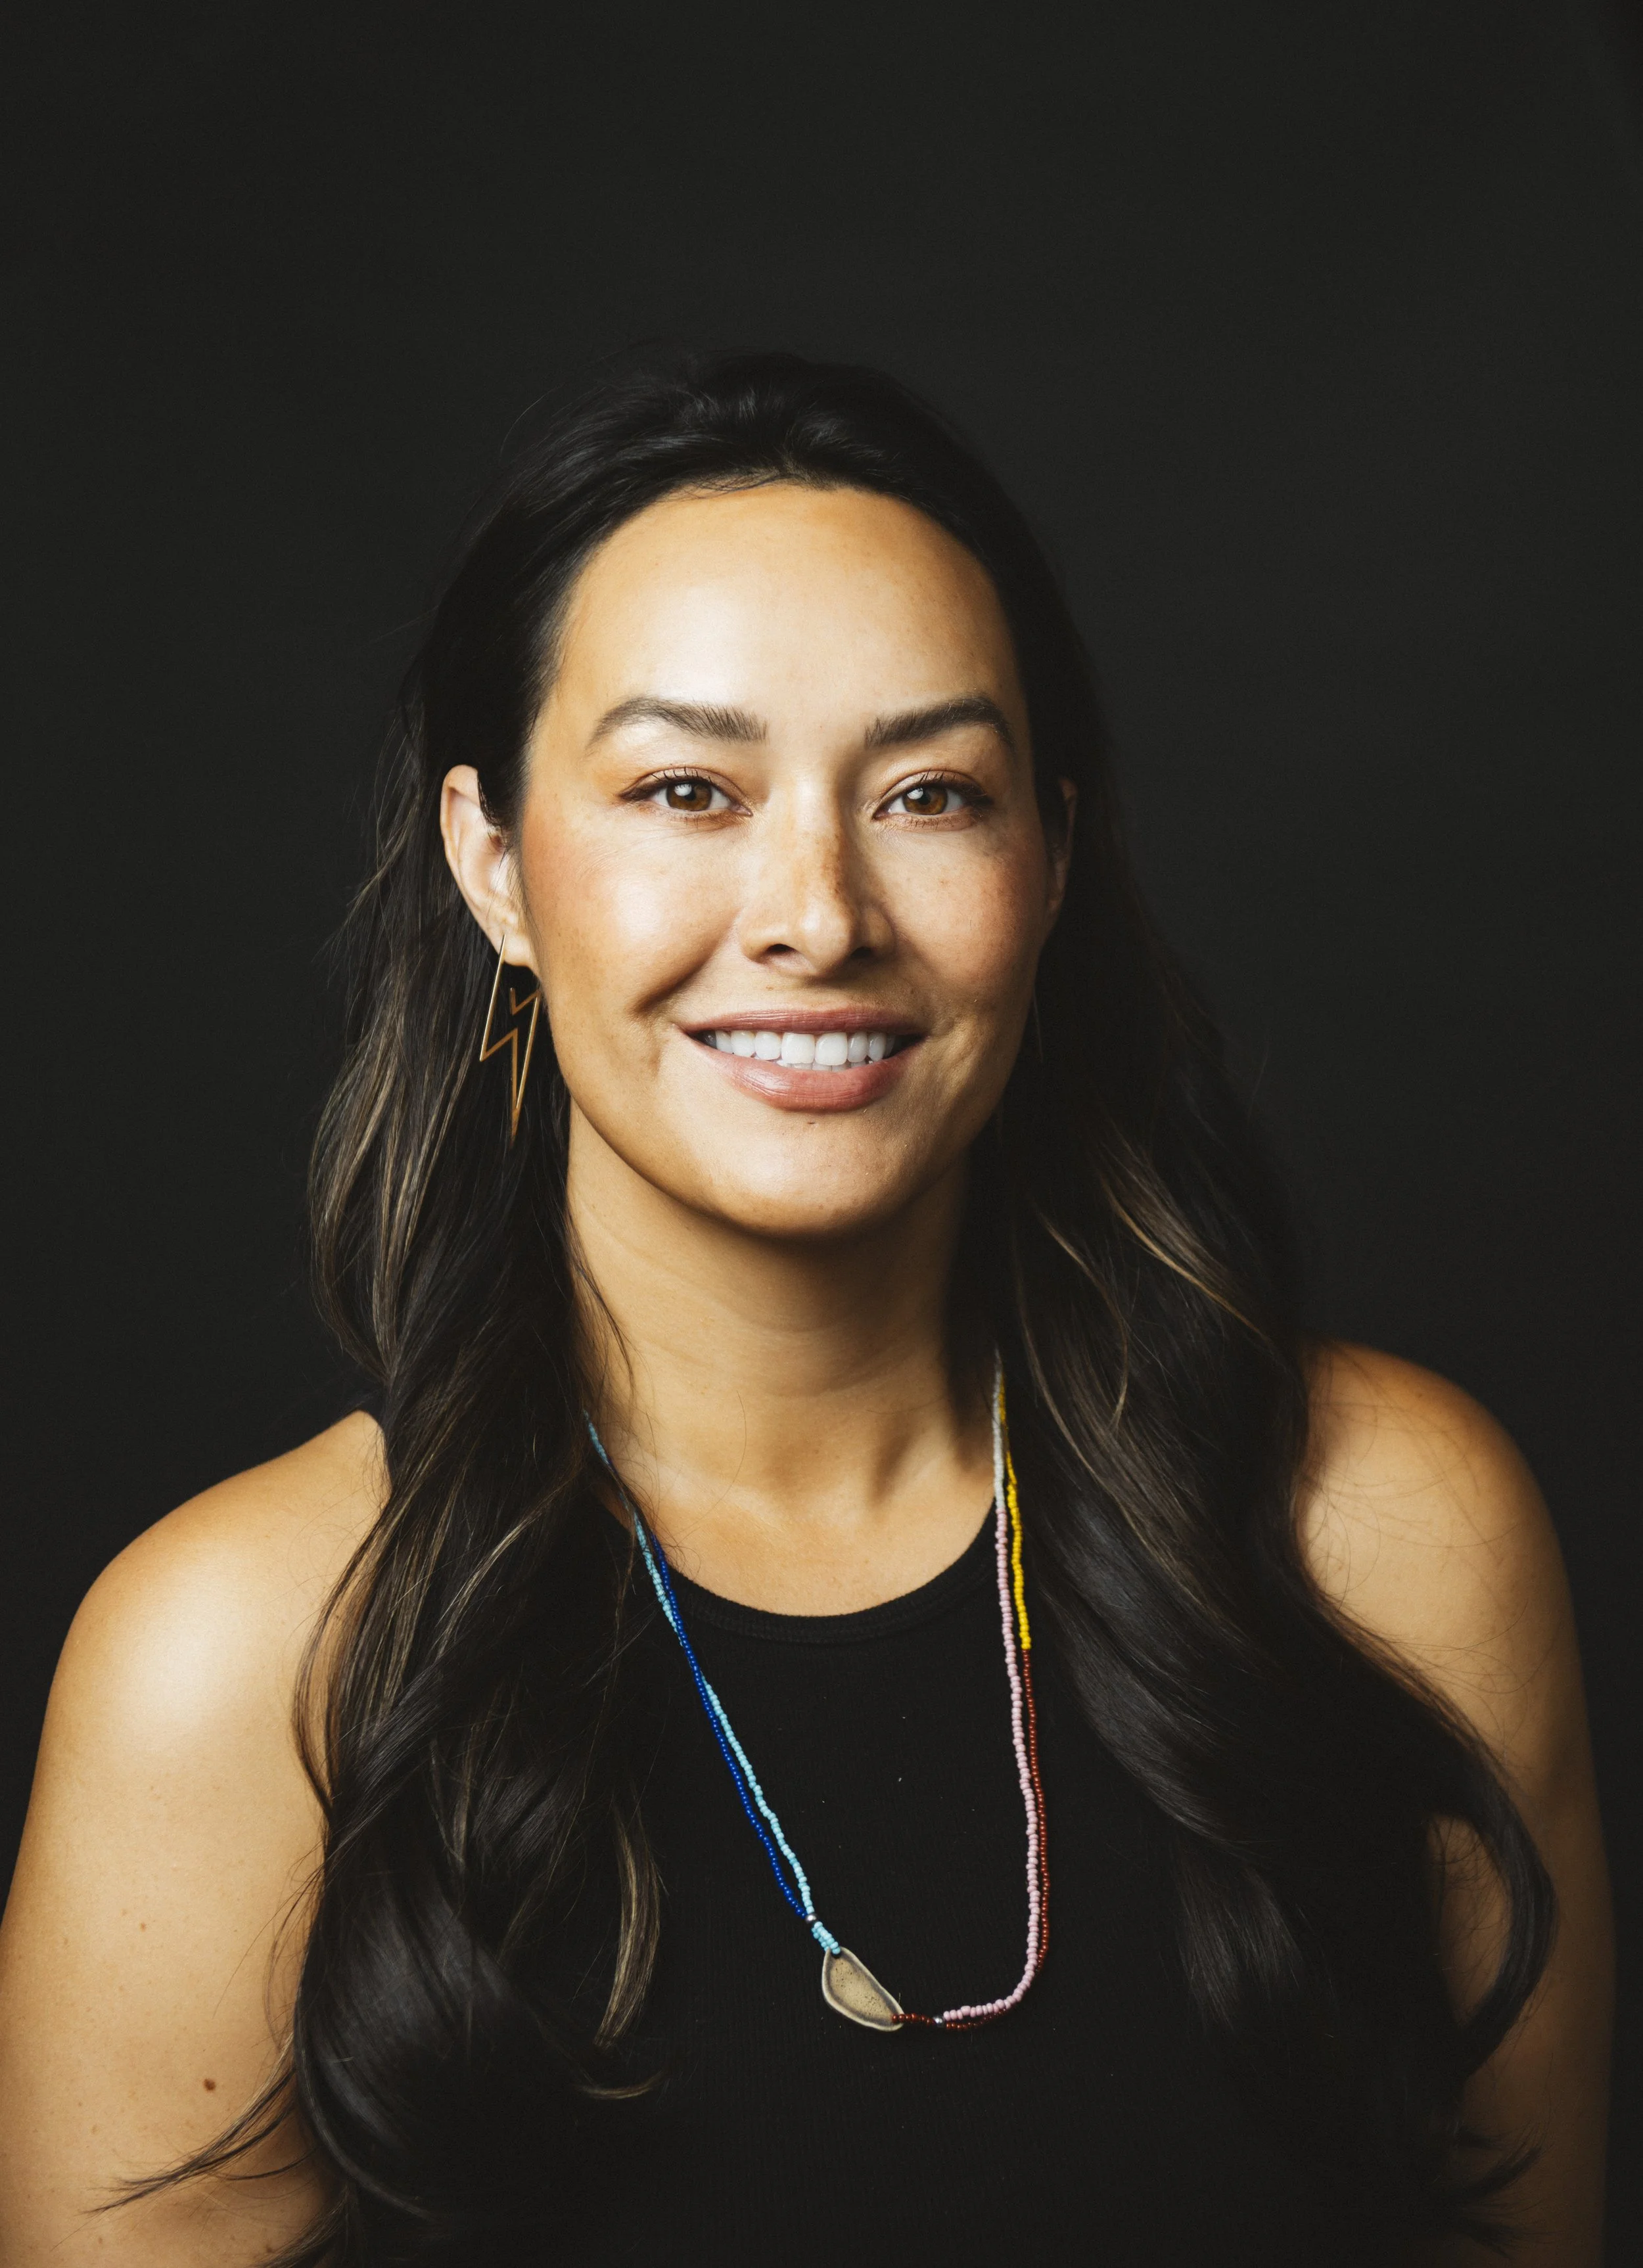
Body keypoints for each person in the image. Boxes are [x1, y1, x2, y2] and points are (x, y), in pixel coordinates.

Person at [0, 354, 1610, 2265]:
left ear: (1053, 860)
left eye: (930, 791)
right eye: (687, 787)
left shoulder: (1387, 1532)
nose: (816, 910)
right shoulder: (243, 1663)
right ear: (493, 863)